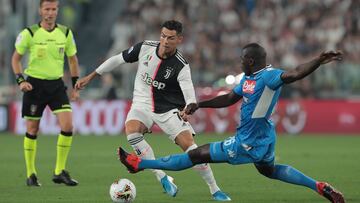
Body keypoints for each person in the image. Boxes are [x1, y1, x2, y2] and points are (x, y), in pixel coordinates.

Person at [119, 43, 345, 203]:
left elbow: (294, 74)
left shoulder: (268, 76)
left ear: (250, 60)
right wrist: (200, 105)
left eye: (242, 58)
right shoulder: (249, 79)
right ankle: (318, 186)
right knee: (269, 170)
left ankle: (140, 164)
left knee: (195, 156)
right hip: (264, 136)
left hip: (247, 142)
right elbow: (229, 98)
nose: (240, 61)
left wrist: (318, 60)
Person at [75, 20, 230, 201]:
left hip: (168, 109)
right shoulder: (145, 48)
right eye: (163, 36)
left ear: (179, 39)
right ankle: (163, 177)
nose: (165, 41)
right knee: (132, 132)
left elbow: (189, 95)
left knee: (192, 150)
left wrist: (188, 109)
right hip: (141, 104)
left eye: (170, 38)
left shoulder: (181, 66)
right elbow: (118, 59)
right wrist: (92, 75)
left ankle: (214, 189)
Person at [11, 0, 79, 186]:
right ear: (40, 11)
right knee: (32, 130)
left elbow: (72, 60)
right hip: (34, 86)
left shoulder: (65, 33)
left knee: (68, 125)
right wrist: (21, 81)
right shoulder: (30, 33)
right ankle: (31, 174)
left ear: (57, 11)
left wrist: (75, 85)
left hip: (56, 85)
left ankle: (59, 171)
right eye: (47, 9)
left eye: (53, 9)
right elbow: (15, 59)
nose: (50, 12)